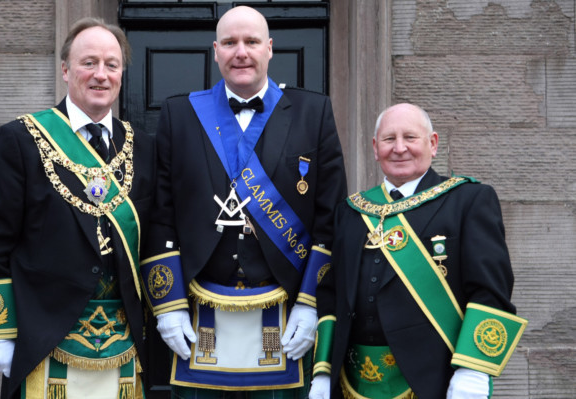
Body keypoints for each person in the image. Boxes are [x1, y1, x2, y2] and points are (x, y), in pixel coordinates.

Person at [139, 5, 347, 398]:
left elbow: (329, 215)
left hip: (286, 318)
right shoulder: (180, 113)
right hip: (198, 315)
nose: (241, 52)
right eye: (231, 43)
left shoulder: (313, 112)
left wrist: (311, 302)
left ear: (270, 48)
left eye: (251, 41)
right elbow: (161, 214)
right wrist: (167, 304)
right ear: (215, 51)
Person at [0, 17, 154, 399]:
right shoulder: (19, 139)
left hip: (124, 343)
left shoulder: (143, 147)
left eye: (111, 65)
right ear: (65, 70)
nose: (101, 75)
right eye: (88, 63)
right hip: (42, 336)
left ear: (122, 73)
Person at [308, 103, 527, 399]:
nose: (399, 148)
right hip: (353, 383)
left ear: (433, 144)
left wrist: (473, 370)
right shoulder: (351, 211)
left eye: (410, 138)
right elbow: (331, 293)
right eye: (389, 139)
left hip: (434, 378)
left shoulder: (468, 201)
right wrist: (323, 371)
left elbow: (491, 291)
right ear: (375, 148)